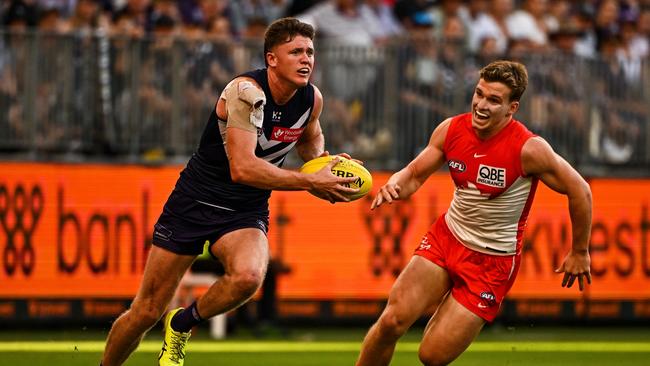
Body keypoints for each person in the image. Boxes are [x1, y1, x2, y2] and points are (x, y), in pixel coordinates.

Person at [101, 17, 360, 366]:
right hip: (194, 201)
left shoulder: (311, 99)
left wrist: (322, 165)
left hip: (245, 209)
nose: (306, 60)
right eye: (296, 51)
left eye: (310, 52)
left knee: (249, 277)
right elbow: (243, 168)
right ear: (271, 58)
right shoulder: (245, 93)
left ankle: (181, 323)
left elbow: (310, 138)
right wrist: (310, 181)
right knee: (146, 311)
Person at [355, 60, 592, 366]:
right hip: (446, 239)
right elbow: (413, 175)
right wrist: (394, 184)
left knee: (431, 356)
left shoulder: (529, 149)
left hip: (492, 262)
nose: (481, 105)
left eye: (494, 100)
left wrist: (580, 250)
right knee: (390, 323)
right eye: (479, 94)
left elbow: (581, 191)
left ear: (512, 108)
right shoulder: (452, 129)